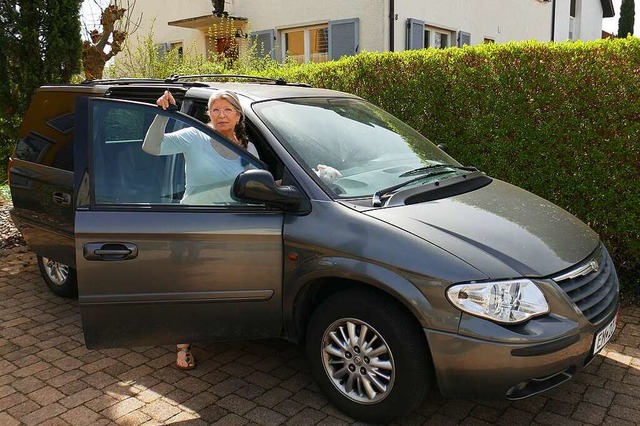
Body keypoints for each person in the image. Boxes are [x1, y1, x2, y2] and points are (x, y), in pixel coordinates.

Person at [143, 89, 258, 370]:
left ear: (238, 115)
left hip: (232, 225)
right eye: (215, 109)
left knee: (222, 283)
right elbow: (152, 147)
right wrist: (161, 116)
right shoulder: (194, 136)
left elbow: (256, 183)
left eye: (227, 109)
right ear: (209, 113)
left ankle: (222, 330)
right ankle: (183, 346)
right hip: (194, 221)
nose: (221, 115)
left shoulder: (246, 146)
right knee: (189, 285)